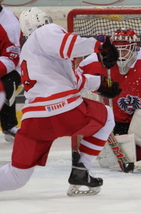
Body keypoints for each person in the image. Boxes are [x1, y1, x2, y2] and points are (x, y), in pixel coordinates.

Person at [0, 7, 121, 195]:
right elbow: (69, 45)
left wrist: (99, 83)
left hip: (34, 122)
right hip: (65, 112)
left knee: (17, 176)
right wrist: (99, 45)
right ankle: (82, 169)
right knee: (106, 117)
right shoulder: (45, 32)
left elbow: (72, 79)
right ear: (43, 20)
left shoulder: (29, 52)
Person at [78, 28, 141, 161]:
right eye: (117, 50)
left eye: (125, 50)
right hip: (118, 121)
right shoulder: (94, 61)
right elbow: (74, 83)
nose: (120, 54)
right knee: (132, 157)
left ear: (135, 49)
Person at [0, 0, 22, 142]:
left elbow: (10, 59)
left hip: (8, 68)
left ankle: (9, 125)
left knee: (7, 80)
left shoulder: (10, 24)